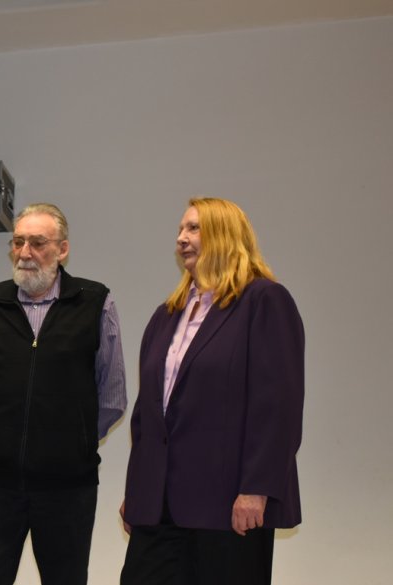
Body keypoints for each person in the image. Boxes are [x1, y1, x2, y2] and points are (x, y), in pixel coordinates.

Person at [119, 197, 305, 585]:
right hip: (160, 506)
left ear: (225, 235)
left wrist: (256, 489)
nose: (180, 239)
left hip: (227, 506)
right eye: (180, 230)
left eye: (192, 229)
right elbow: (148, 413)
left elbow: (278, 407)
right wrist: (139, 489)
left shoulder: (264, 301)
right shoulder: (166, 314)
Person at [0, 202, 127, 585]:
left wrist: (75, 441)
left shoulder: (95, 302)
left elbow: (112, 396)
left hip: (67, 486)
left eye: (37, 243)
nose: (24, 253)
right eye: (18, 242)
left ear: (62, 249)